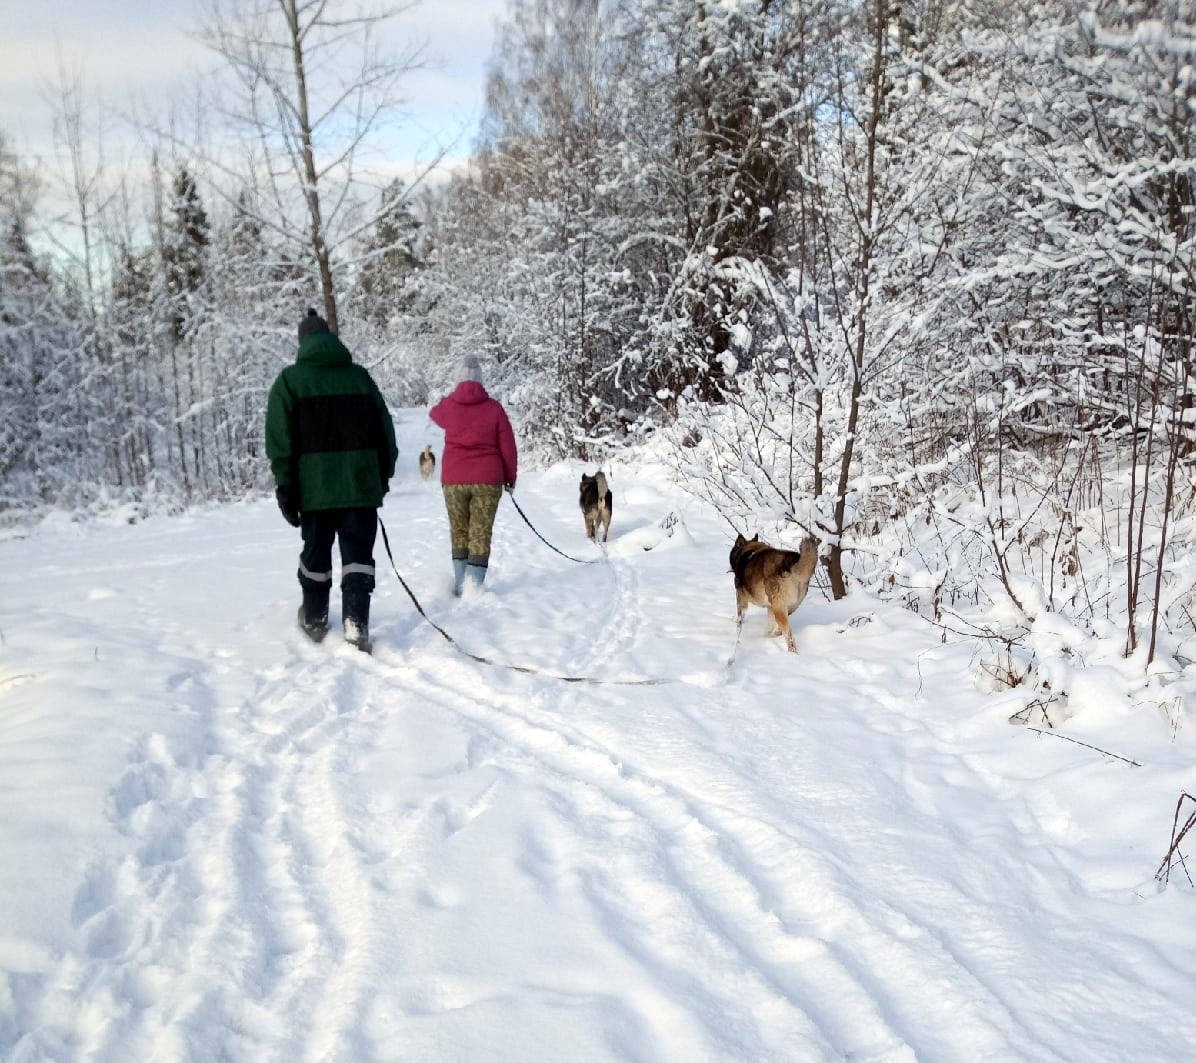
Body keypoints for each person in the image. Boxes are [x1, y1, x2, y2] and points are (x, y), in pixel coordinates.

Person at [265, 308, 398, 652]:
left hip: (314, 492)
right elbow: (386, 431)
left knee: (316, 554)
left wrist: (286, 486)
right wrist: (382, 474)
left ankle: (314, 620)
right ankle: (357, 626)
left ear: (302, 343)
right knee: (358, 556)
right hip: (359, 486)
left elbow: (279, 440)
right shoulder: (360, 378)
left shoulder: (289, 382)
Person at [429, 354, 518, 595]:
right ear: (481, 380)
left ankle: (460, 584)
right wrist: (510, 478)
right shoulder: (494, 409)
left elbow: (434, 414)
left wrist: (453, 396)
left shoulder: (449, 406)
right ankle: (474, 586)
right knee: (480, 531)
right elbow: (508, 447)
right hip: (488, 480)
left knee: (459, 529)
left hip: (453, 480)